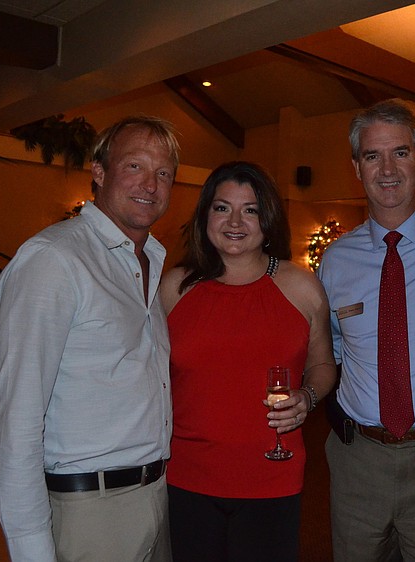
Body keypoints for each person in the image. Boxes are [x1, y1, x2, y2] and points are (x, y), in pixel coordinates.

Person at [0, 115, 180, 561]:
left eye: (164, 173)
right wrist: (31, 550)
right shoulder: (54, 259)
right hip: (89, 512)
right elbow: (16, 422)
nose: (150, 185)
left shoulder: (148, 262)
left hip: (155, 495)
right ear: (99, 172)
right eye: (134, 166)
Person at [159, 161, 337, 561]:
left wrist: (307, 397)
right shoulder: (175, 287)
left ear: (268, 219)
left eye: (250, 209)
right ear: (206, 215)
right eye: (222, 208)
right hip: (188, 478)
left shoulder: (300, 286)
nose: (235, 221)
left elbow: (323, 364)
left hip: (272, 477)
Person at [316, 98, 415, 561]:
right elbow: (333, 349)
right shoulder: (336, 259)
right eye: (371, 155)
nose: (387, 168)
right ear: (356, 167)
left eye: (399, 152)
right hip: (358, 457)